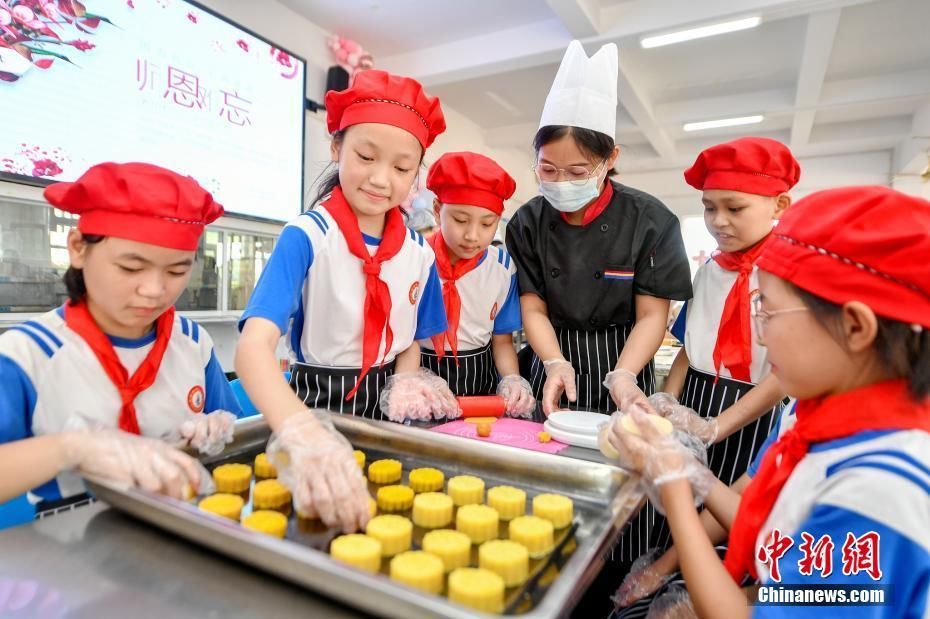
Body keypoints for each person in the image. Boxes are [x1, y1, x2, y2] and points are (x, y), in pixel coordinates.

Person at [608, 186, 930, 617]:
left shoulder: (880, 488)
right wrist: (691, 475)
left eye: (769, 313)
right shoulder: (807, 414)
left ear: (855, 327)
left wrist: (678, 495)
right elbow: (783, 546)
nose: (759, 335)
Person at [505, 41, 693, 595]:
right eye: (547, 168)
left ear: (611, 159)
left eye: (578, 169)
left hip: (622, 358)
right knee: (547, 479)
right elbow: (533, 304)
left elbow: (652, 314)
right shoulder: (528, 221)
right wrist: (555, 360)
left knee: (622, 487)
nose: (560, 180)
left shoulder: (649, 220)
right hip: (550, 356)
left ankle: (616, 590)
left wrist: (625, 375)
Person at [234, 70, 456, 531]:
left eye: (401, 168)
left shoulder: (419, 254)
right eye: (365, 156)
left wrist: (406, 385)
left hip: (385, 410)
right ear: (336, 150)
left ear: (418, 174)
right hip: (310, 402)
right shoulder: (308, 236)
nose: (380, 179)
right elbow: (253, 347)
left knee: (384, 523)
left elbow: (411, 337)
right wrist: (299, 431)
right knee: (311, 527)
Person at [0, 162, 237, 515]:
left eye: (177, 270)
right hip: (70, 534)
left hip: (178, 518)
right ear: (79, 248)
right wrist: (74, 447)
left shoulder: (189, 341)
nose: (154, 290)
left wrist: (215, 429)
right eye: (131, 268)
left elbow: (228, 422)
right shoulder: (28, 354)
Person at [419, 151, 535, 417]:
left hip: (479, 378)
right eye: (460, 220)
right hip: (421, 373)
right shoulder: (415, 260)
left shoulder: (502, 268)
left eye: (487, 224)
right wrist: (413, 378)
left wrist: (512, 380)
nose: (472, 236)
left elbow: (502, 340)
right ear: (438, 211)